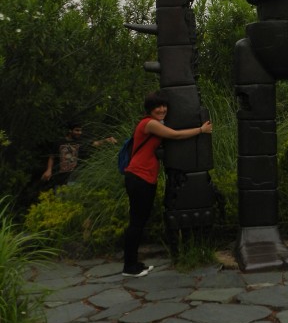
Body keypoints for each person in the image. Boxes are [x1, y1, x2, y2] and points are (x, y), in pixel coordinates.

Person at [122, 92, 212, 278]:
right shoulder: (149, 124)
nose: (162, 109)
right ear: (150, 109)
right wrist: (201, 130)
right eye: (158, 107)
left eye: (164, 106)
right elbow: (175, 135)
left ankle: (133, 262)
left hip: (144, 177)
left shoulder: (154, 123)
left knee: (139, 221)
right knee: (136, 223)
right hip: (139, 176)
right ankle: (129, 267)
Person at [41, 121, 117, 187]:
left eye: (80, 131)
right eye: (77, 130)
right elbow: (52, 157)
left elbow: (95, 143)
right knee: (60, 199)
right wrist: (48, 170)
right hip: (60, 178)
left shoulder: (80, 142)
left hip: (74, 177)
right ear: (70, 130)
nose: (79, 133)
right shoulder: (59, 142)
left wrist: (106, 140)